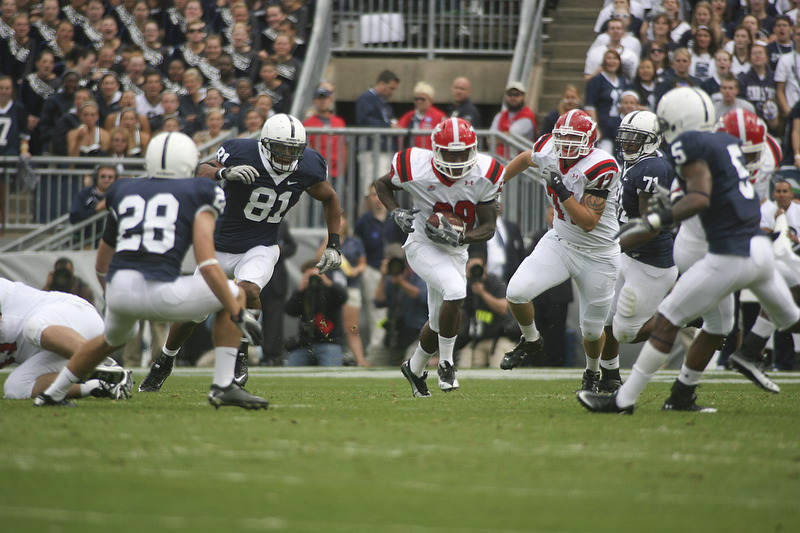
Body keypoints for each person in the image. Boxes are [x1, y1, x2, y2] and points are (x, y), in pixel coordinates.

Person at [577, 87, 800, 414]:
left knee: (667, 322)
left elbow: (700, 197)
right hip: (756, 248)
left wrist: (657, 217)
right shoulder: (727, 143)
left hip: (728, 254)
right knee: (769, 320)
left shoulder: (690, 144)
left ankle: (622, 401)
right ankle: (698, 384)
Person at [35, 131, 267, 408]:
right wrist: (237, 310)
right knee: (234, 293)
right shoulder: (202, 192)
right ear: (188, 163)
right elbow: (206, 262)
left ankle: (52, 394)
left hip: (120, 288)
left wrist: (114, 297)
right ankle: (223, 386)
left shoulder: (123, 189)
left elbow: (101, 263)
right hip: (162, 289)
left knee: (109, 340)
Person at [138, 114, 343, 393]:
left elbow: (329, 197)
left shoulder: (307, 165)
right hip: (220, 247)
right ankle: (166, 359)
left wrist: (334, 242)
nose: (287, 156)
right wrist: (224, 172)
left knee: (248, 291)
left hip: (261, 245)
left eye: (294, 150)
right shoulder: (241, 151)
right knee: (192, 312)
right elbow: (201, 170)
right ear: (265, 144)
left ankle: (240, 356)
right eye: (281, 148)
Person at [375, 117, 503, 396]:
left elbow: (489, 227)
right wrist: (395, 210)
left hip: (456, 250)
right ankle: (446, 363)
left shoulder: (486, 172)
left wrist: (462, 237)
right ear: (435, 149)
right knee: (456, 291)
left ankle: (415, 367)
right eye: (450, 152)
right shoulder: (416, 167)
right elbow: (381, 184)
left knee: (437, 323)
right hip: (422, 244)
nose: (457, 159)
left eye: (462, 152)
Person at [501, 109, 621, 394]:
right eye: (562, 138)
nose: (566, 145)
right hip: (561, 241)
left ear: (589, 140)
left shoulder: (602, 166)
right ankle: (531, 340)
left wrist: (562, 191)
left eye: (574, 139)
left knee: (592, 330)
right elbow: (524, 158)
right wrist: (497, 184)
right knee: (516, 293)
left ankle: (593, 373)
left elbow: (589, 222)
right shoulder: (547, 148)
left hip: (599, 253)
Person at [599, 110, 678, 393]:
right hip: (628, 254)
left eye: (636, 139)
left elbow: (649, 226)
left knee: (626, 332)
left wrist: (610, 245)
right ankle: (609, 377)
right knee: (604, 318)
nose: (628, 144)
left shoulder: (652, 169)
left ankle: (680, 315)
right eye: (626, 138)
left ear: (652, 140)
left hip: (651, 262)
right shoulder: (636, 164)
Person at [1, 278, 132, 401]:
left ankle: (101, 363)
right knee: (15, 387)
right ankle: (103, 384)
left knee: (33, 327)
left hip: (76, 317)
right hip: (52, 354)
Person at [456, 249, 515, 368]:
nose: (474, 271)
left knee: (499, 367)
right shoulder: (465, 286)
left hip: (499, 337)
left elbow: (503, 308)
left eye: (477, 267)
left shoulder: (495, 283)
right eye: (471, 268)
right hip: (477, 340)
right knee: (464, 365)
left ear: (485, 268)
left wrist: (482, 293)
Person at [373, 243, 429, 365]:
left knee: (409, 363)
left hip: (418, 335)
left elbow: (422, 296)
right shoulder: (389, 280)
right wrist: (383, 276)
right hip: (395, 335)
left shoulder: (420, 275)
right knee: (374, 360)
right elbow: (378, 302)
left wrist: (401, 282)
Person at [284, 259, 347, 366]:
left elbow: (343, 297)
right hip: (304, 344)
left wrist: (327, 283)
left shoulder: (330, 290)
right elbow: (290, 310)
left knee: (332, 375)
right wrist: (300, 289)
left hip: (329, 342)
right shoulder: (303, 293)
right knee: (290, 373)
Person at [355, 69, 400, 195]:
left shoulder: (384, 103)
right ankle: (369, 215)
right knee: (371, 189)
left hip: (384, 151)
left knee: (384, 189)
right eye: (391, 88)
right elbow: (364, 121)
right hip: (371, 151)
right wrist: (388, 126)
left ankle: (382, 215)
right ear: (381, 83)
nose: (392, 92)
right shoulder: (367, 98)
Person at [585, 49, 628, 154]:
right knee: (605, 154)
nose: (612, 61)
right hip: (604, 126)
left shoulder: (622, 80)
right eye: (609, 58)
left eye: (615, 58)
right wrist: (596, 128)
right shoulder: (596, 80)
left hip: (619, 126)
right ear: (604, 61)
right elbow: (590, 106)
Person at [303, 87, 347, 179]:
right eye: (319, 98)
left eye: (325, 98)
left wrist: (343, 169)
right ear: (314, 101)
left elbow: (344, 146)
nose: (323, 101)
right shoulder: (307, 123)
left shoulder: (339, 122)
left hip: (337, 172)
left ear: (330, 100)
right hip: (316, 172)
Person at [69, 164, 117, 245]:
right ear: (96, 177)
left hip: (111, 243)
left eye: (110, 177)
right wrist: (97, 209)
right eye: (103, 176)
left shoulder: (118, 195)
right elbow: (74, 217)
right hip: (85, 241)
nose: (106, 179)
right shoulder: (84, 194)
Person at [490, 81, 538, 158]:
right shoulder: (500, 115)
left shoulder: (527, 116)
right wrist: (502, 137)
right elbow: (489, 139)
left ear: (523, 96)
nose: (513, 98)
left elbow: (512, 136)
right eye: (510, 94)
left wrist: (497, 137)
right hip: (499, 160)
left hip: (522, 165)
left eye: (516, 95)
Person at [395, 81, 446, 149]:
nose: (419, 101)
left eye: (422, 99)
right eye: (416, 99)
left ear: (431, 100)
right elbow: (398, 129)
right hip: (413, 155)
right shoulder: (409, 115)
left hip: (431, 155)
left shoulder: (439, 116)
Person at [774, 22, 800, 117]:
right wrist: (789, 113)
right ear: (794, 37)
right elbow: (780, 90)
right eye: (798, 34)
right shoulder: (785, 59)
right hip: (793, 110)